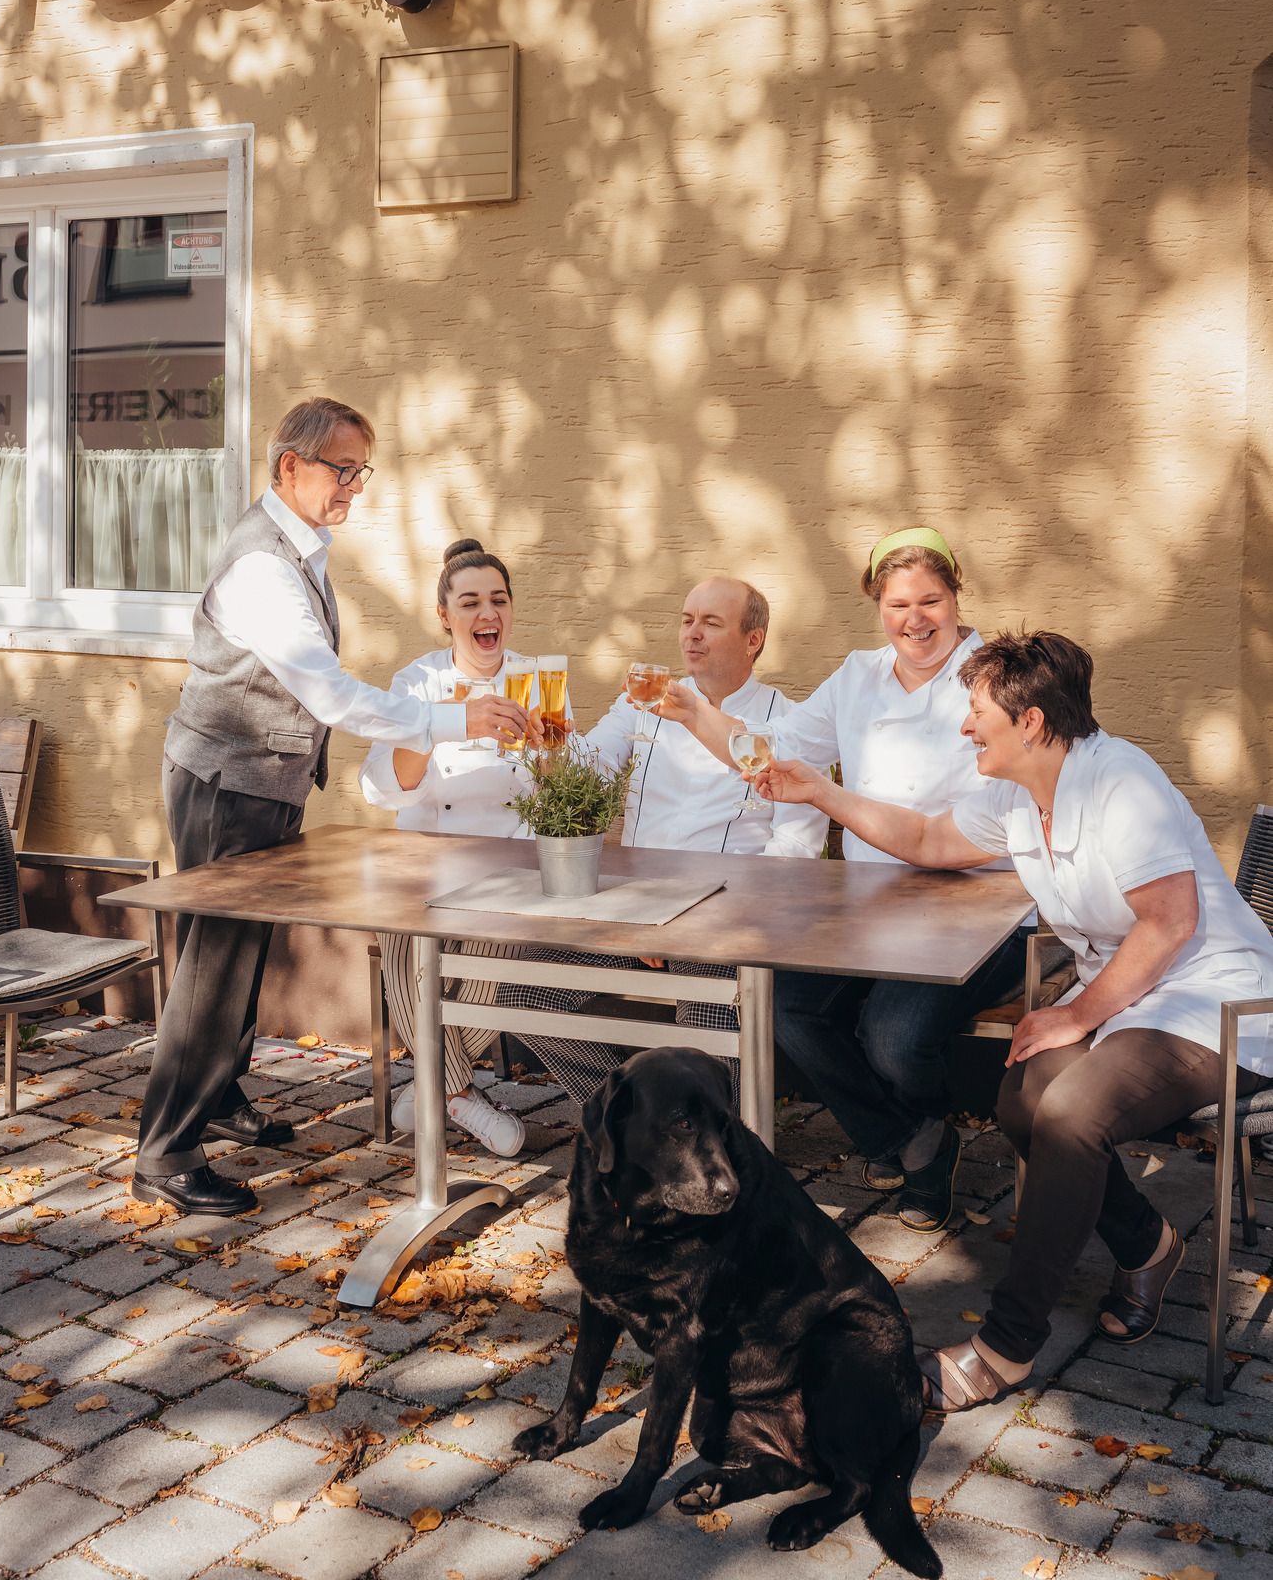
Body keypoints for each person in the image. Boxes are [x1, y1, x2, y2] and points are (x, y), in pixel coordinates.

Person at [756, 630, 1273, 1410]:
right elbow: (930, 839)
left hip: (1215, 1000)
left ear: (1029, 721)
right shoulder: (1013, 791)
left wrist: (1075, 1013)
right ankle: (1144, 1243)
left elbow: (1167, 923)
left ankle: (1005, 1346)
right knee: (1018, 1098)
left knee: (1068, 1110)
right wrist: (820, 793)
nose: (964, 727)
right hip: (1135, 996)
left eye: (976, 713)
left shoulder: (1119, 783)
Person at [132, 402, 533, 1217]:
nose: (353, 486)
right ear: (289, 467)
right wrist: (453, 716)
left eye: (360, 471)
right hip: (225, 782)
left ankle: (220, 1095)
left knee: (243, 954)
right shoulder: (263, 567)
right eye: (340, 470)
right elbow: (328, 692)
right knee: (213, 966)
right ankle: (166, 1152)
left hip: (265, 781)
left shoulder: (303, 550)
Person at [664, 527, 1027, 1230]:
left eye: (929, 600)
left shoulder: (993, 678)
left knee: (893, 1038)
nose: (914, 619)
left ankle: (910, 1134)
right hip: (871, 904)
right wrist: (695, 715)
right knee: (780, 1002)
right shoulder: (857, 677)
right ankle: (913, 1140)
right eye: (896, 605)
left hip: (980, 901)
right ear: (876, 607)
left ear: (956, 597)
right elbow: (773, 754)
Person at [497, 576, 826, 1096]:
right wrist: (547, 741)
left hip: (726, 928)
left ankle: (719, 1146)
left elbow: (794, 854)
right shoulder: (646, 700)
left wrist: (696, 925)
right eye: (687, 620)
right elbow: (589, 768)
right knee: (524, 995)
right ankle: (627, 1118)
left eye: (711, 623)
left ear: (753, 640)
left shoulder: (790, 724)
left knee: (707, 1034)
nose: (691, 635)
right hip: (631, 912)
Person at [358, 536, 548, 1157]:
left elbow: (561, 791)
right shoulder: (416, 684)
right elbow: (385, 787)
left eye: (498, 600)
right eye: (469, 602)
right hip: (425, 861)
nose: (486, 614)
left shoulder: (537, 681)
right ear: (445, 615)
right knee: (405, 937)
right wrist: (438, 726)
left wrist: (552, 751)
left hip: (508, 861)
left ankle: (437, 1089)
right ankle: (460, 1095)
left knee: (500, 958)